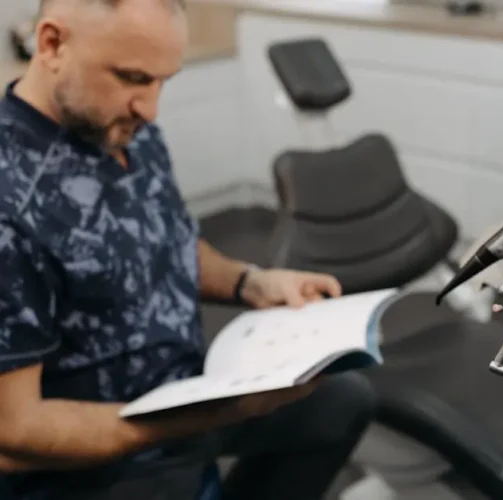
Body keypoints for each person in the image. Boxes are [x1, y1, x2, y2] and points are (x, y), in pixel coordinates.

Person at [0, 0, 377, 498]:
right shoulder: (12, 200)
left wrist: (251, 282)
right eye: (134, 77)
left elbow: (165, 241)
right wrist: (207, 416)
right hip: (90, 460)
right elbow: (15, 434)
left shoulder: (125, 126)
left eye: (162, 81)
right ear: (52, 44)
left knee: (342, 402)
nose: (151, 107)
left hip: (188, 394)